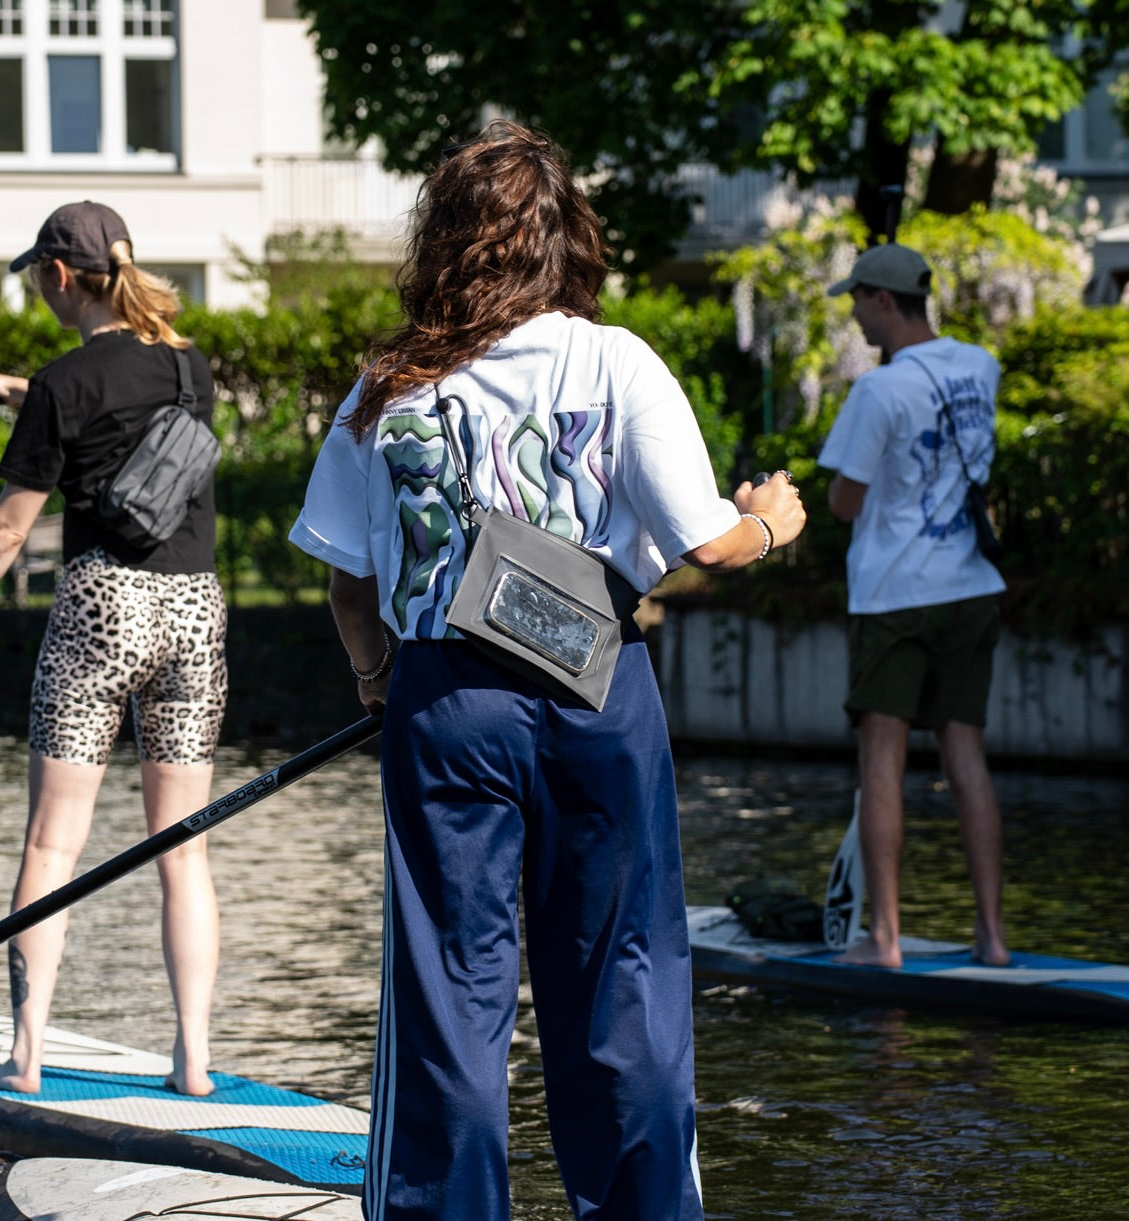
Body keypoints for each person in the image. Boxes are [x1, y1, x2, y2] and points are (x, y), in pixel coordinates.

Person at [289, 120, 805, 1220]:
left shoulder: (392, 383)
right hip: (596, 694)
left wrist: (378, 681)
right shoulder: (614, 359)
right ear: (564, 237)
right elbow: (706, 546)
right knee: (623, 977)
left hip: (444, 705)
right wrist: (773, 523)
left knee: (449, 994)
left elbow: (344, 581)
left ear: (443, 243)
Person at [0, 201, 227, 1095]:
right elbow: (123, 422)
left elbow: (10, 531)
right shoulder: (187, 365)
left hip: (102, 611)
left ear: (57, 275)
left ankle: (26, 1055)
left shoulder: (64, 385)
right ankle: (194, 1064)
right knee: (184, 848)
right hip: (195, 613)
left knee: (52, 844)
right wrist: (23, 392)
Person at [818, 241, 1009, 970]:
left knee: (881, 760)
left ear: (883, 301)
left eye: (857, 301)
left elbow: (843, 502)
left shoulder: (877, 390)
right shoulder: (978, 366)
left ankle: (886, 938)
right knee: (965, 754)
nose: (854, 315)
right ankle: (991, 939)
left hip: (894, 595)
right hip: (969, 588)